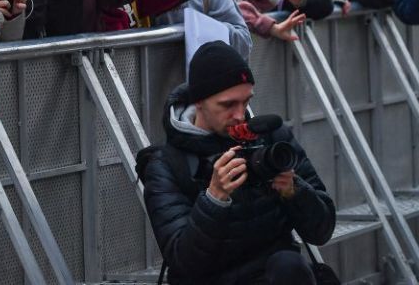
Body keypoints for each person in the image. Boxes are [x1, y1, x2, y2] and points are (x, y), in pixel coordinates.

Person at [141, 41, 335, 285]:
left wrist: (294, 191)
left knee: (289, 265)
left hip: (276, 273)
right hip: (213, 279)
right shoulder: (166, 165)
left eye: (245, 102)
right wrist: (214, 198)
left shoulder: (272, 137)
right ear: (199, 101)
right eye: (228, 104)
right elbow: (184, 263)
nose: (239, 115)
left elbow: (322, 230)